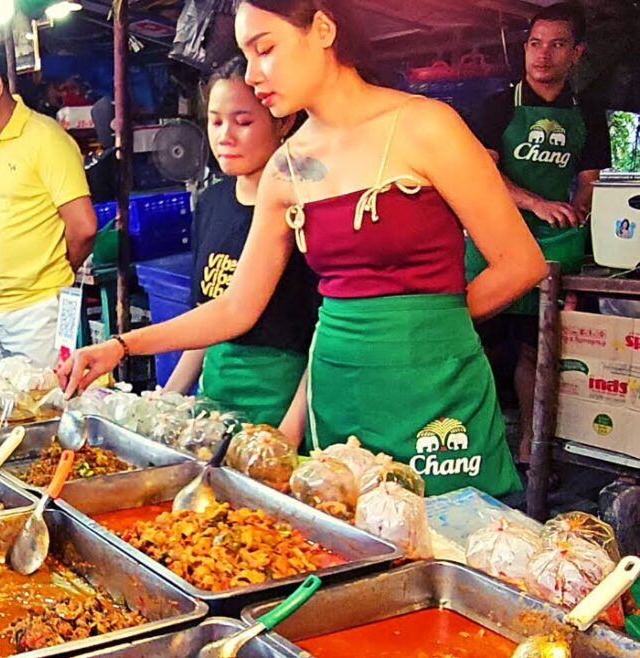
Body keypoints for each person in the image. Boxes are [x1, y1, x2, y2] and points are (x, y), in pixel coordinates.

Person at [60, 0, 547, 498]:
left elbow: (519, 263)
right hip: (337, 396)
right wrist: (121, 345)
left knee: (459, 544)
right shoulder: (287, 168)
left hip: (439, 391)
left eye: (264, 49)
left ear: (322, 28)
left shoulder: (426, 126)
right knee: (351, 548)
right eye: (246, 55)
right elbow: (235, 307)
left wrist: (424, 328)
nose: (253, 73)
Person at [466, 1, 612, 462]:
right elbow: (482, 175)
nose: (542, 55)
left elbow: (589, 184)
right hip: (492, 241)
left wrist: (576, 212)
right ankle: (474, 444)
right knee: (477, 345)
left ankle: (532, 448)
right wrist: (535, 202)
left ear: (577, 53)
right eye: (535, 43)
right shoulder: (496, 107)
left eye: (557, 45)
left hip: (551, 245)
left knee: (537, 347)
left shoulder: (588, 116)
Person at [163, 56, 319, 431]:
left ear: (283, 121)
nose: (224, 136)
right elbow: (206, 318)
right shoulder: (212, 202)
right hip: (213, 405)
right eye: (215, 121)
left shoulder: (307, 208)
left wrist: (287, 432)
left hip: (281, 403)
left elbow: (323, 339)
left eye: (243, 122)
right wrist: (167, 402)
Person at [0, 42, 98, 368]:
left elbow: (83, 228)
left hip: (39, 312)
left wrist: (50, 273)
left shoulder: (47, 139)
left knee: (44, 406)